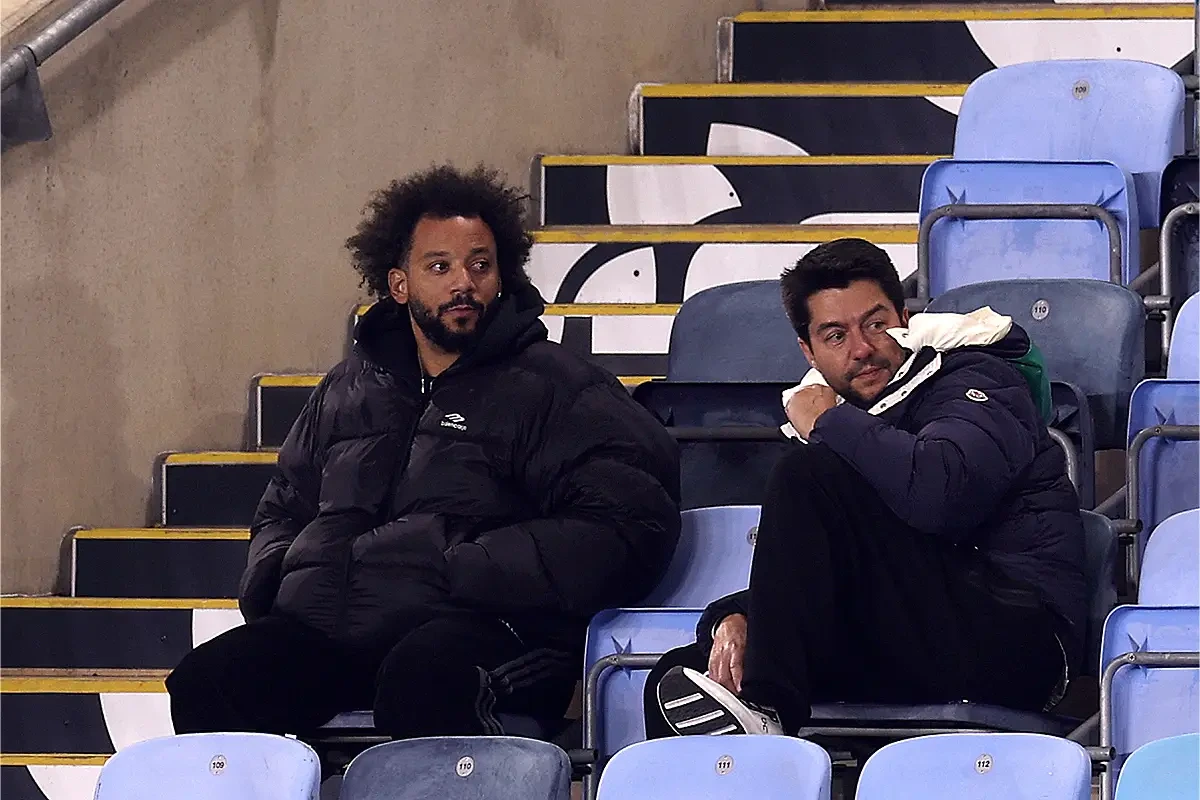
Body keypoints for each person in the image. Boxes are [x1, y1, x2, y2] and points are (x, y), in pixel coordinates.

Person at [168, 165, 681, 739]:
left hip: (489, 626)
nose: (464, 283)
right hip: (336, 631)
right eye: (440, 267)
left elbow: (630, 519)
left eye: (480, 265)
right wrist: (280, 578)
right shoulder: (347, 388)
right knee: (209, 680)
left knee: (422, 681)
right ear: (399, 285)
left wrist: (467, 566)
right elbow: (284, 506)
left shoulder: (560, 386)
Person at [648, 238, 1086, 737]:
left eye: (876, 324)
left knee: (806, 474)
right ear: (808, 351)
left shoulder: (979, 381)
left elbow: (941, 496)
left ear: (905, 318)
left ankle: (769, 715)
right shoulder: (844, 426)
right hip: (906, 635)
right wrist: (736, 618)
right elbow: (820, 572)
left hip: (1020, 638)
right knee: (683, 677)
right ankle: (750, 742)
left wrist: (829, 423)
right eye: (835, 336)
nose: (861, 349)